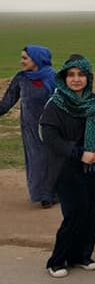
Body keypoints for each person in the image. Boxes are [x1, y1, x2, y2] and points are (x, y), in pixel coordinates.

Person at [40, 55, 95, 278]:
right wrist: (79, 154)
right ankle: (58, 260)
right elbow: (50, 137)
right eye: (71, 75)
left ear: (88, 78)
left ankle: (81, 256)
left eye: (81, 75)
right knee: (75, 213)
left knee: (91, 213)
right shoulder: (55, 104)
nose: (76, 79)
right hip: (67, 168)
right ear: (64, 78)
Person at [0, 45, 59, 207]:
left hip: (52, 127)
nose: (22, 61)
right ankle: (43, 195)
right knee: (37, 160)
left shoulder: (54, 77)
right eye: (22, 58)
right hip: (30, 128)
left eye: (25, 58)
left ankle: (55, 193)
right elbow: (7, 102)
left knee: (53, 160)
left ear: (37, 58)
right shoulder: (21, 78)